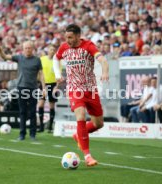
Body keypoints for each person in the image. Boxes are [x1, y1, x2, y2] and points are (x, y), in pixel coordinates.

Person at [53, 24, 109, 167]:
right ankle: (87, 156)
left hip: (90, 89)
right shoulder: (64, 47)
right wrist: (58, 75)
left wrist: (105, 72)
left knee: (98, 124)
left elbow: (102, 59)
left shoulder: (88, 46)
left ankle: (78, 135)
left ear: (78, 36)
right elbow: (55, 58)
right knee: (81, 116)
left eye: (70, 37)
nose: (68, 40)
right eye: (66, 37)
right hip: (74, 89)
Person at [0, 41, 45, 141]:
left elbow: (41, 75)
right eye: (26, 48)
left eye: (29, 48)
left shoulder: (37, 60)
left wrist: (44, 88)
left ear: (33, 49)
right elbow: (5, 57)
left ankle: (32, 134)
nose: (27, 49)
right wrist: (0, 50)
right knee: (22, 112)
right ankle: (22, 134)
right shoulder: (19, 58)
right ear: (23, 49)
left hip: (33, 89)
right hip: (21, 88)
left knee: (32, 112)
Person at [37, 45, 59, 133]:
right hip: (43, 84)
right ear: (48, 50)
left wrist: (56, 87)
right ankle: (41, 126)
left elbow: (59, 75)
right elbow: (40, 73)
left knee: (51, 106)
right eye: (51, 49)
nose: (52, 51)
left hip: (53, 84)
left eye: (54, 50)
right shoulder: (42, 59)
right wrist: (43, 87)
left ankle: (50, 126)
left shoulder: (57, 61)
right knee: (40, 105)